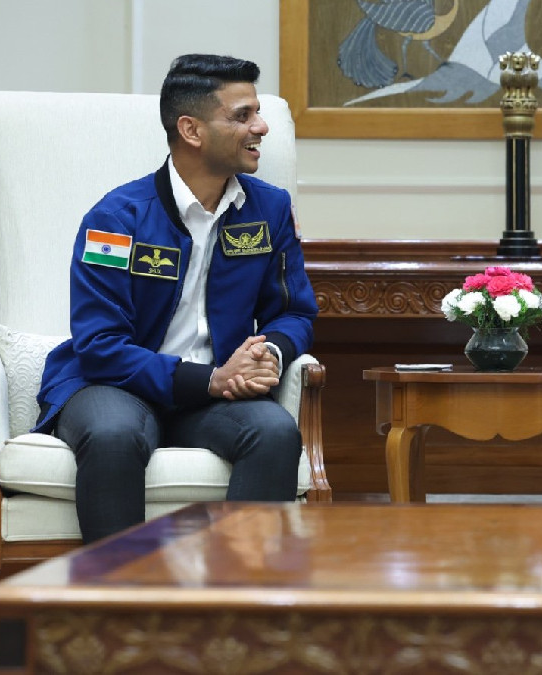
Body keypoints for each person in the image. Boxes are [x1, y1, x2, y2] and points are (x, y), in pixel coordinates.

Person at [33, 54, 319, 544]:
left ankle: (231, 608)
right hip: (115, 386)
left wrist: (266, 352)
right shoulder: (118, 218)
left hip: (215, 394)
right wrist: (210, 379)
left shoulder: (269, 208)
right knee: (113, 435)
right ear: (191, 130)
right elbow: (100, 346)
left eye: (258, 112)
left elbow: (293, 311)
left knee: (274, 432)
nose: (262, 126)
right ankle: (121, 612)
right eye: (243, 115)